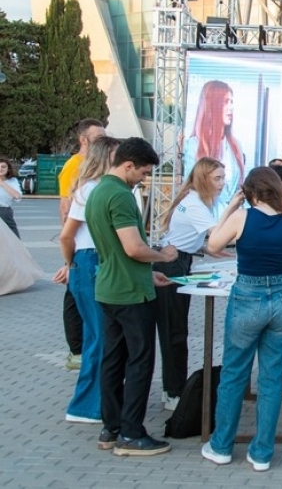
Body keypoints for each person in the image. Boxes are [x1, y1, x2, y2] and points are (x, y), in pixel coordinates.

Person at [201, 167, 282, 472]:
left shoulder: (242, 217)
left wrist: (230, 208)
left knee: (234, 373)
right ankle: (262, 453)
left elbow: (213, 245)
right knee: (272, 378)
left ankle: (221, 446)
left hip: (247, 297)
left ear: (250, 192)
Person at [85, 137, 178, 456]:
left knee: (113, 360)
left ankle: (111, 428)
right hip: (131, 295)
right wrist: (164, 256)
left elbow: (115, 250)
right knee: (139, 362)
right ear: (127, 165)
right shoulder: (121, 195)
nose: (144, 178)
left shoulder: (97, 191)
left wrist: (146, 273)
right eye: (143, 172)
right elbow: (133, 248)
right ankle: (131, 433)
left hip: (110, 287)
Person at [152, 157, 236, 411]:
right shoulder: (195, 203)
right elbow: (218, 233)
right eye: (217, 178)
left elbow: (188, 236)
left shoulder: (193, 199)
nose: (222, 183)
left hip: (179, 259)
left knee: (175, 330)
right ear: (203, 179)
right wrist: (234, 208)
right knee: (174, 331)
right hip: (172, 263)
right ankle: (173, 391)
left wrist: (204, 248)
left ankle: (172, 388)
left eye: (223, 178)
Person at [52, 137, 120, 424]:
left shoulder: (96, 188)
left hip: (92, 261)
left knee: (100, 335)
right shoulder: (91, 189)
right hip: (90, 261)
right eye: (117, 156)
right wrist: (72, 264)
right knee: (100, 336)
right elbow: (67, 235)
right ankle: (88, 406)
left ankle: (97, 402)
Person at [59, 119, 106, 371]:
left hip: (84, 250)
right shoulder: (74, 166)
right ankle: (76, 350)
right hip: (81, 250)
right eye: (98, 138)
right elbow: (66, 208)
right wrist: (70, 258)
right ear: (83, 140)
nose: (102, 141)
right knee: (75, 298)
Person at [183, 80, 245, 217]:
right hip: (206, 218)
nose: (231, 108)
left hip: (233, 219)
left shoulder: (236, 145)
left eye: (232, 102)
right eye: (225, 102)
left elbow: (239, 188)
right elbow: (191, 187)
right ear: (212, 105)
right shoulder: (194, 145)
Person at [0, 158, 23, 238]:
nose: (0, 169)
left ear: (8, 169)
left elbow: (17, 196)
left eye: (3, 167)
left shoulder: (12, 181)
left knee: (14, 238)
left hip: (4, 212)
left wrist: (2, 184)